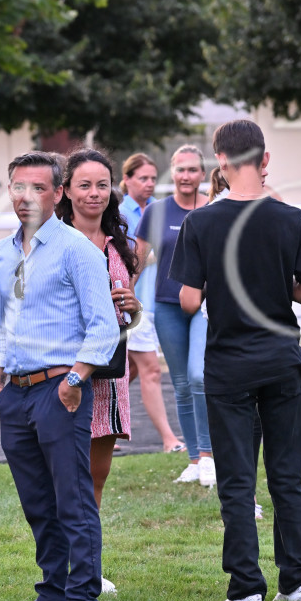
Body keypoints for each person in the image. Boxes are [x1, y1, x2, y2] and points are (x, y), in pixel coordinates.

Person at [170, 119, 301, 601]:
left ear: (220, 160)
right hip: (282, 360)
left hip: (229, 364)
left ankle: (245, 591)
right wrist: (276, 283)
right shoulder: (290, 217)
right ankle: (297, 584)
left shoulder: (200, 223)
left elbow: (189, 301)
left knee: (237, 481)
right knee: (287, 478)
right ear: (265, 159)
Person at [0, 151, 119, 601]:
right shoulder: (1, 253)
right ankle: (51, 592)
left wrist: (74, 380)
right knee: (37, 502)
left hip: (60, 389)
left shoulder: (76, 249)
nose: (27, 197)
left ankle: (81, 598)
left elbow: (104, 326)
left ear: (58, 193)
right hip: (14, 393)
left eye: (39, 188)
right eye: (19, 187)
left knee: (73, 499)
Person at [55, 149, 143, 595]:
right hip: (63, 371)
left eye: (102, 185)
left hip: (109, 375)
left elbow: (129, 321)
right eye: (84, 185)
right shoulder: (51, 242)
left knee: (95, 477)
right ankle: (60, 568)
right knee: (63, 478)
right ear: (66, 190)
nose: (94, 193)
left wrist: (133, 307)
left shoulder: (123, 247)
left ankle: (87, 566)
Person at [138, 145, 215, 487]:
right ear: (173, 172)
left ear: (202, 174)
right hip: (167, 306)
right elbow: (138, 258)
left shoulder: (214, 209)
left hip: (205, 306)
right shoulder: (156, 211)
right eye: (180, 169)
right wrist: (122, 294)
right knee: (181, 385)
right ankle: (194, 460)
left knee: (199, 377)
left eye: (192, 170)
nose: (186, 176)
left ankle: (209, 456)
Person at [120, 153, 184, 453]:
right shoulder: (119, 214)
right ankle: (169, 439)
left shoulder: (161, 211)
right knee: (152, 371)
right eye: (142, 178)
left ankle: (99, 428)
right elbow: (127, 259)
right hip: (137, 303)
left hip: (164, 302)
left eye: (153, 179)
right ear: (127, 179)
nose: (149, 184)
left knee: (129, 371)